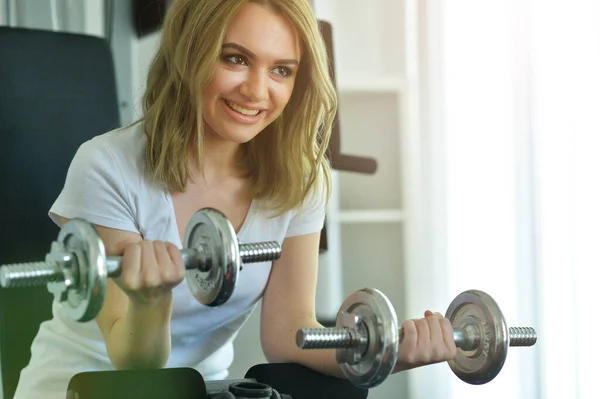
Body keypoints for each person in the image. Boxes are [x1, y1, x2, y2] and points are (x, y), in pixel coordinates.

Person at [13, 0, 457, 398]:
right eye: (236, 59)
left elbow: (289, 333)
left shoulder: (301, 178)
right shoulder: (107, 166)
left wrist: (384, 352)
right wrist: (151, 301)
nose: (257, 91)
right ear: (191, 52)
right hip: (83, 388)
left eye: (281, 69)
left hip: (202, 391)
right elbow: (134, 365)